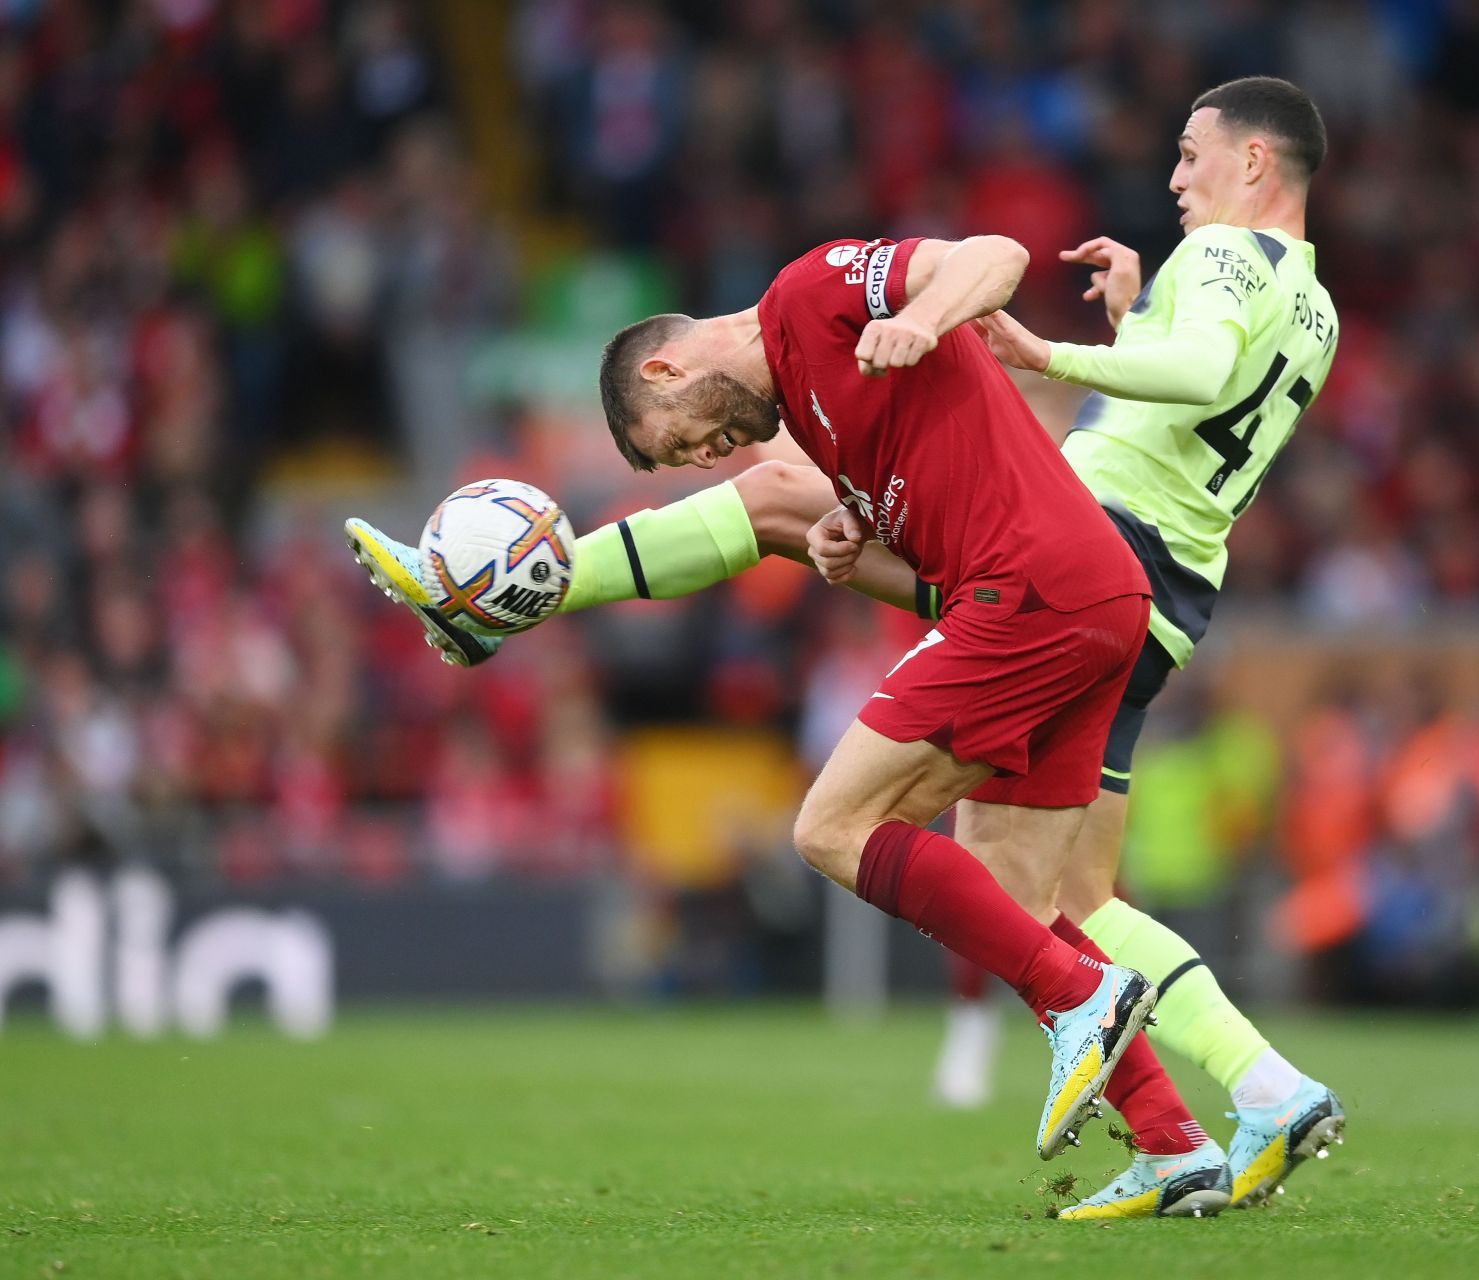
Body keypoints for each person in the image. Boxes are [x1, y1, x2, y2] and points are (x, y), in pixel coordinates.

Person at [347, 75, 1346, 1211]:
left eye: (1190, 156)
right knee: (1038, 888)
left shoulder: (842, 293)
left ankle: (1139, 1033)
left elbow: (1017, 273)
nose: (1175, 178)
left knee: (892, 845)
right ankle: (1194, 1125)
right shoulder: (1308, 301)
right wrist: (1130, 322)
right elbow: (1198, 400)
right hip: (1137, 574)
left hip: (1080, 558)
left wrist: (987, 334)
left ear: (1255, 162)